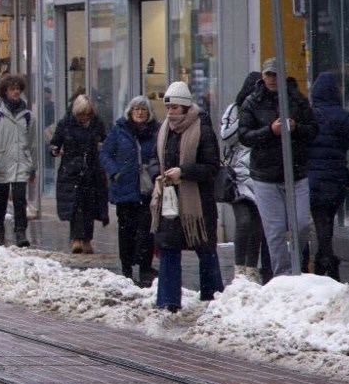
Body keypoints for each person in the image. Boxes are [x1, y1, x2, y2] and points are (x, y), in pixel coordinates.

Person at [237, 58, 318, 279]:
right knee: (275, 231)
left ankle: (297, 264)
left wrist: (296, 127)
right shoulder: (252, 102)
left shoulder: (297, 99)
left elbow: (313, 129)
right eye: (268, 74)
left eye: (276, 74)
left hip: (296, 172)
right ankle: (283, 276)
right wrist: (269, 131)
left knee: (301, 224)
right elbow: (244, 136)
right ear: (262, 76)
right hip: (265, 175)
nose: (272, 79)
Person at [151, 80, 226, 311]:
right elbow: (155, 158)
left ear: (185, 107)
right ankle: (168, 301)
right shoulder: (164, 129)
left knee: (204, 248)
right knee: (169, 247)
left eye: (175, 108)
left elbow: (212, 167)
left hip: (198, 203)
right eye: (168, 108)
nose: (171, 112)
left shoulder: (202, 128)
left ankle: (212, 297)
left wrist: (184, 172)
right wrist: (159, 173)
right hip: (170, 200)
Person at [101, 96, 159, 285]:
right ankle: (126, 266)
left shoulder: (155, 132)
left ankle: (145, 267)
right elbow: (106, 154)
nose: (140, 113)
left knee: (147, 229)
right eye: (136, 109)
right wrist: (114, 172)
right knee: (126, 229)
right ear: (130, 112)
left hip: (146, 188)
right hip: (125, 187)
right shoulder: (119, 130)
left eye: (143, 109)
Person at [307, 72, 349, 281]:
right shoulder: (345, 117)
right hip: (337, 177)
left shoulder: (309, 115)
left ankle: (326, 259)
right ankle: (324, 259)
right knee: (328, 220)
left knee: (321, 221)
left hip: (313, 178)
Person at [219, 72, 269, 280]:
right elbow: (226, 137)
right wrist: (244, 118)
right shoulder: (234, 110)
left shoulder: (265, 109)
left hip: (259, 172)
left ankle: (252, 268)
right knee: (244, 221)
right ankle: (239, 267)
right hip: (238, 176)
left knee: (257, 223)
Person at [49, 93, 110, 254]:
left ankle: (87, 238)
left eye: (88, 114)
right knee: (75, 206)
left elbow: (105, 141)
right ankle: (76, 238)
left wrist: (101, 147)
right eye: (82, 114)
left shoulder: (97, 124)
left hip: (91, 170)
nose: (85, 118)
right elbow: (55, 142)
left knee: (89, 205)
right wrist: (55, 150)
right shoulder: (66, 124)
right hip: (71, 170)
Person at [0, 74, 35, 246]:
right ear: (4, 91)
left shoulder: (28, 116)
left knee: (19, 199)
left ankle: (20, 233)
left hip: (20, 162)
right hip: (0, 161)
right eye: (12, 89)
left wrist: (32, 166)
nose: (16, 92)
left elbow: (32, 143)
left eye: (18, 88)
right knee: (0, 200)